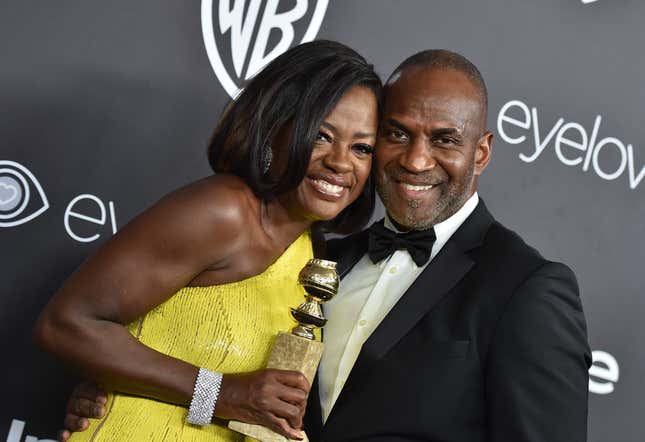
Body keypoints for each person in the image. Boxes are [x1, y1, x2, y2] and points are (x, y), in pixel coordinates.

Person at [58, 49, 592, 442]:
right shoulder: (324, 258)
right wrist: (124, 394)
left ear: (481, 153)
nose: (416, 160)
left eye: (445, 139)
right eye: (396, 134)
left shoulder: (528, 288)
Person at [33, 39, 381, 441]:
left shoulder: (310, 252)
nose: (341, 162)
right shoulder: (223, 211)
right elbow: (64, 325)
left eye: (361, 147)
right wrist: (221, 393)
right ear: (276, 128)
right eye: (321, 136)